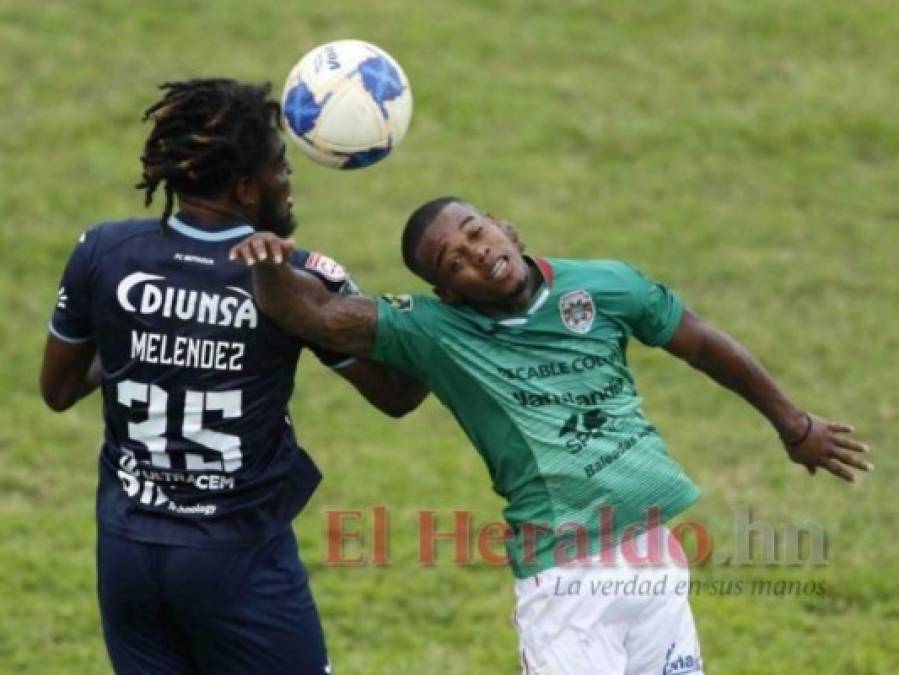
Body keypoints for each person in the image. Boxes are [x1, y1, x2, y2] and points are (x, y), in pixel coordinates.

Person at [229, 196, 873, 675]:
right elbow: (309, 312)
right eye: (456, 260)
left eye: (476, 231)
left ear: (505, 227)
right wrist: (268, 263)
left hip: (655, 557)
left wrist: (795, 425)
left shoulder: (605, 285)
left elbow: (701, 344)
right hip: (565, 581)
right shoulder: (434, 329)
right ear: (448, 293)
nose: (477, 251)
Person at [39, 78, 426, 675]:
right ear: (247, 188)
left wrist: (138, 344)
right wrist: (445, 310)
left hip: (129, 555)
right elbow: (397, 395)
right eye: (281, 169)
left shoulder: (104, 252)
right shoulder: (291, 277)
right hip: (238, 561)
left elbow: (57, 390)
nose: (289, 183)